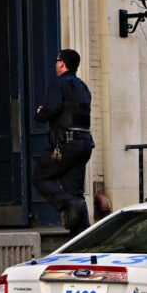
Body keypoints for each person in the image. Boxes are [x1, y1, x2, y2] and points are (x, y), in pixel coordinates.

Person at [33, 49, 94, 236]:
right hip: (84, 145)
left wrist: (39, 113)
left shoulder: (58, 84)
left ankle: (67, 203)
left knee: (40, 177)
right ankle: (83, 242)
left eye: (56, 60)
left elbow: (52, 108)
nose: (55, 64)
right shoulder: (83, 87)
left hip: (67, 145)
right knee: (75, 192)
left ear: (62, 63)